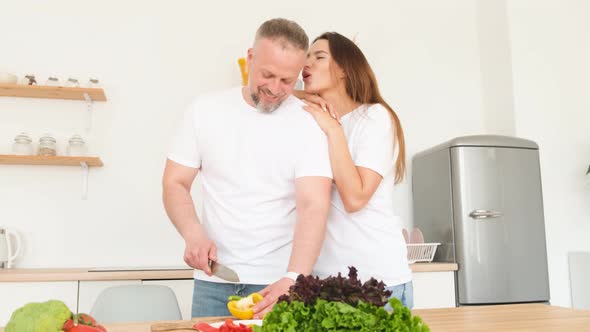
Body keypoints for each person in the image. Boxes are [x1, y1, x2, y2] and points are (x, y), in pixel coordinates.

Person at [162, 19, 333, 318]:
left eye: (287, 81)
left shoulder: (309, 122)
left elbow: (314, 205)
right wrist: (193, 234)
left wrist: (294, 278)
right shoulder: (204, 110)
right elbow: (175, 183)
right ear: (250, 58)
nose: (275, 89)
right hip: (213, 280)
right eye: (268, 75)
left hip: (279, 283)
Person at [297, 32, 413, 308]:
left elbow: (355, 198)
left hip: (376, 280)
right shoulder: (312, 118)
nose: (307, 63)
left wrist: (333, 129)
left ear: (345, 70)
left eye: (319, 56)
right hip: (323, 280)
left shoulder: (373, 118)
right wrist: (299, 95)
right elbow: (266, 94)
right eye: (306, 57)